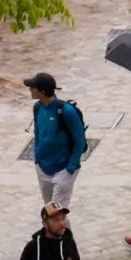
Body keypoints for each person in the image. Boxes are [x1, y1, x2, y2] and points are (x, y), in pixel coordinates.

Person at [24, 70, 92, 208]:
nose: (30, 89)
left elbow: (80, 141)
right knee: (51, 212)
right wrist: (37, 160)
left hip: (63, 170)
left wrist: (70, 168)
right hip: (43, 168)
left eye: (32, 87)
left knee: (56, 213)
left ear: (42, 92)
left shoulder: (67, 111)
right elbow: (38, 134)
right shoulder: (37, 108)